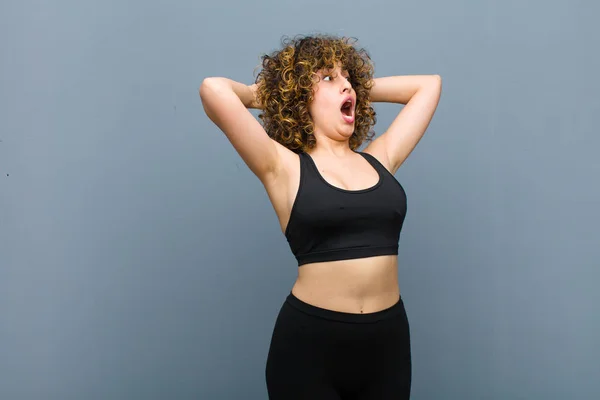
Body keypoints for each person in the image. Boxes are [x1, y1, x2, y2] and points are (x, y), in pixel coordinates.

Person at [199, 34, 442, 400]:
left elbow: (429, 86)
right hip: (310, 348)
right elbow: (212, 90)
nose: (345, 83)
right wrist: (279, 91)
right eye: (327, 77)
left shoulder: (381, 158)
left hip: (388, 343)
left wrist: (352, 85)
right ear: (300, 97)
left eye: (348, 77)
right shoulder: (281, 166)